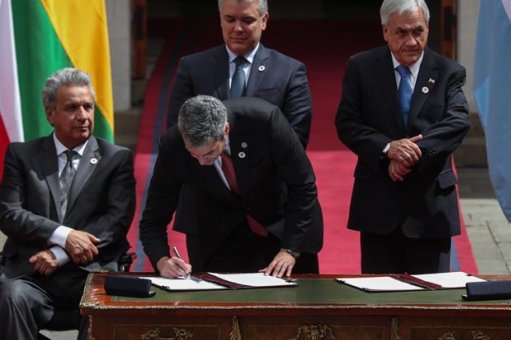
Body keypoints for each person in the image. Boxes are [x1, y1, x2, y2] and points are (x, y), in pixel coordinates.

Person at [166, 0, 313, 269]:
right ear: (220, 19)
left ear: (264, 20)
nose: (237, 28)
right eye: (230, 19)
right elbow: (176, 136)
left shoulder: (289, 71)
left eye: (247, 20)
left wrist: (244, 168)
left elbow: (295, 140)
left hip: (271, 218)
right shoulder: (193, 68)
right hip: (210, 217)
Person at [335, 0, 470, 274]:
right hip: (378, 205)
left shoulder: (448, 71)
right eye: (401, 32)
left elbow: (457, 122)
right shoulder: (361, 67)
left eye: (418, 31)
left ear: (428, 28)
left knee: (431, 305)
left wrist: (409, 154)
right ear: (385, 31)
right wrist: (387, 149)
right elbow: (347, 123)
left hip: (430, 205)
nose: (412, 41)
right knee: (381, 302)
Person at [0, 68, 136, 340]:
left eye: (88, 106)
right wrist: (64, 235)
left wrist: (59, 253)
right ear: (50, 114)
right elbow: (9, 213)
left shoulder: (116, 159)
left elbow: (115, 222)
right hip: (31, 274)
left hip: (89, 274)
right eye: (72, 108)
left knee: (102, 304)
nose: (83, 116)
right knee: (10, 297)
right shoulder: (22, 155)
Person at [140, 96, 322, 278]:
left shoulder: (265, 119)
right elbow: (154, 216)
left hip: (282, 223)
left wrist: (290, 249)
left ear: (226, 130)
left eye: (210, 152)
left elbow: (304, 186)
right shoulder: (173, 145)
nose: (202, 162)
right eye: (194, 155)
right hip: (222, 232)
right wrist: (162, 260)